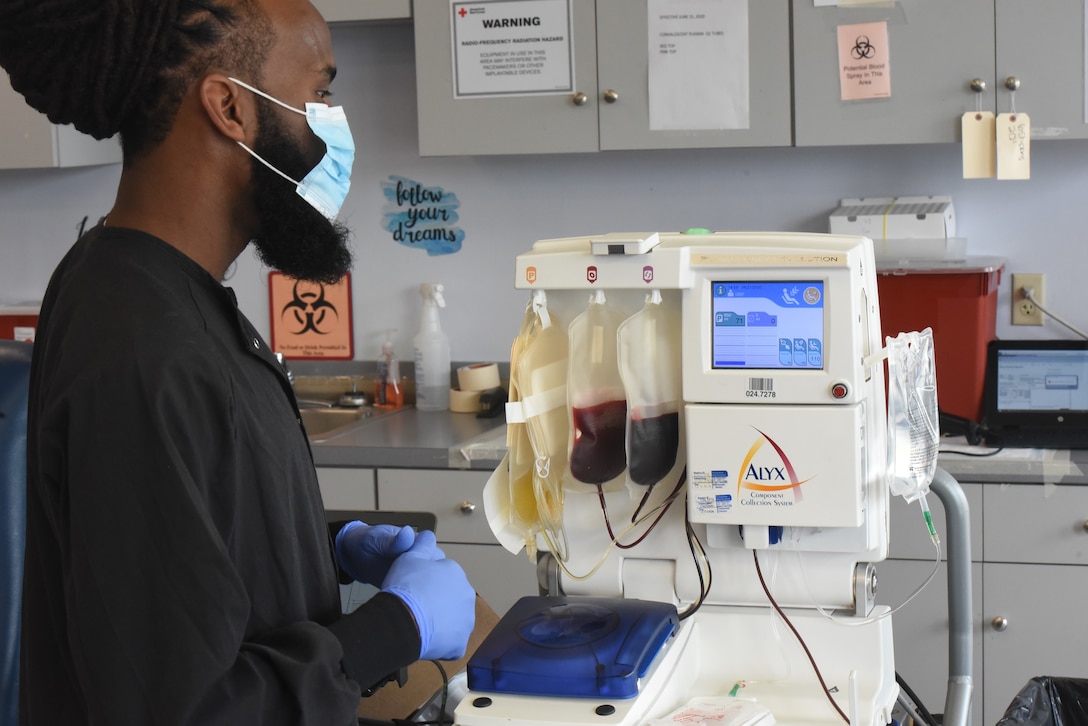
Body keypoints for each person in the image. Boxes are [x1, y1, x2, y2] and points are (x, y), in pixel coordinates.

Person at [0, 0, 477, 723]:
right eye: (319, 92)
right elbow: (188, 709)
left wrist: (331, 547)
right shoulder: (142, 352)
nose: (333, 123)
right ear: (229, 107)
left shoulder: (138, 282)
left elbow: (178, 550)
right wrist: (396, 629)